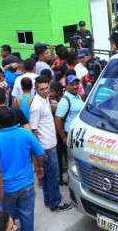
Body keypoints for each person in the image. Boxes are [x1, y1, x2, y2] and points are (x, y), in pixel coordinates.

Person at [0, 107, 45, 231]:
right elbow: (40, 153)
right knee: (27, 216)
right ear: (15, 119)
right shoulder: (26, 134)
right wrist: (39, 167)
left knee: (7, 222)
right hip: (26, 184)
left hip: (6, 189)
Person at [29, 76, 72, 212]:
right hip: (46, 146)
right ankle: (56, 203)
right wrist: (39, 150)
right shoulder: (36, 106)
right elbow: (33, 129)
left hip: (49, 144)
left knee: (47, 176)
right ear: (36, 89)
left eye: (47, 88)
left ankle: (49, 201)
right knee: (53, 176)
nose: (45, 91)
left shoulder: (44, 99)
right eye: (41, 89)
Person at [54, 75, 84, 150]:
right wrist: (64, 138)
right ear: (66, 86)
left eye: (76, 84)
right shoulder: (65, 100)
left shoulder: (78, 96)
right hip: (70, 134)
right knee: (71, 159)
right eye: (71, 84)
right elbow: (57, 120)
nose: (75, 87)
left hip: (78, 133)